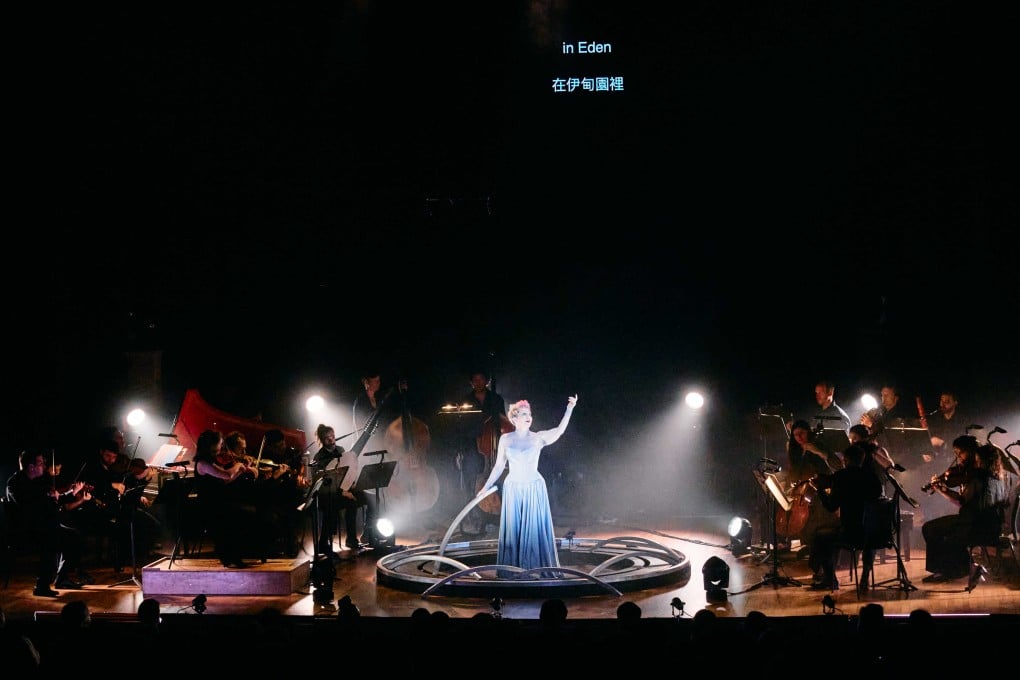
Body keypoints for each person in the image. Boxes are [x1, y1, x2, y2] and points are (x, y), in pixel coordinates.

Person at [476, 394, 577, 575]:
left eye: (529, 413)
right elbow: (499, 466)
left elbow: (559, 430)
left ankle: (537, 567)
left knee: (533, 531)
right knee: (515, 530)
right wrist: (485, 488)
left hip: (533, 488)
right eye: (523, 413)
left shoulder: (537, 437)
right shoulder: (506, 439)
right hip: (514, 488)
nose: (528, 416)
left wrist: (569, 409)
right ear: (514, 419)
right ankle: (513, 568)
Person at [5, 449, 87, 595]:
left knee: (74, 537)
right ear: (31, 467)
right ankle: (41, 586)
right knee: (52, 538)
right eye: (41, 463)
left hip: (42, 527)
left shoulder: (39, 482)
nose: (44, 466)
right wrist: (49, 499)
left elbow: (53, 501)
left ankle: (61, 578)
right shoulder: (15, 484)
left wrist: (71, 493)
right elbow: (27, 508)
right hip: (25, 530)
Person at [920, 434, 1000, 583]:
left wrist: (941, 489)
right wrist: (942, 489)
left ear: (972, 453)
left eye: (960, 453)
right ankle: (950, 569)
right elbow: (964, 502)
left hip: (976, 524)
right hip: (978, 521)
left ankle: (964, 568)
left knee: (935, 530)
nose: (959, 458)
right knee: (932, 528)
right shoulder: (989, 475)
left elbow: (962, 502)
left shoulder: (978, 477)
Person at [811, 442, 884, 590]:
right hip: (872, 533)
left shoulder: (841, 477)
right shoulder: (872, 477)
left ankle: (830, 579)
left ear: (846, 460)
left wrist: (820, 490)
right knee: (868, 540)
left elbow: (831, 507)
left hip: (850, 534)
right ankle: (864, 577)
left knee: (821, 537)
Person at [192, 428, 263, 567]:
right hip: (210, 507)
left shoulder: (211, 461)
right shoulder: (203, 463)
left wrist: (241, 469)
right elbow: (226, 475)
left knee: (245, 511)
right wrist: (237, 466)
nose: (221, 447)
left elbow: (225, 480)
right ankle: (231, 556)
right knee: (240, 514)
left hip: (218, 503)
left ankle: (234, 555)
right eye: (219, 444)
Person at [312, 423, 377, 555]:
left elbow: (348, 469)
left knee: (372, 498)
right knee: (333, 506)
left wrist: (351, 484)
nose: (331, 440)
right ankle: (323, 544)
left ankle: (367, 534)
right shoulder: (319, 458)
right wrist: (343, 492)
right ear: (322, 440)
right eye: (327, 438)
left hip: (344, 490)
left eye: (333, 436)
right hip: (329, 494)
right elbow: (324, 482)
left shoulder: (341, 450)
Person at [458, 370, 507, 534]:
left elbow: (502, 422)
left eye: (481, 379)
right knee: (473, 484)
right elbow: (462, 427)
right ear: (471, 382)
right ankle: (476, 519)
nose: (478, 383)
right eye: (475, 380)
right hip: (472, 448)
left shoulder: (496, 399)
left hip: (494, 448)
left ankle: (498, 517)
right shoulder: (466, 400)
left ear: (486, 381)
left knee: (499, 481)